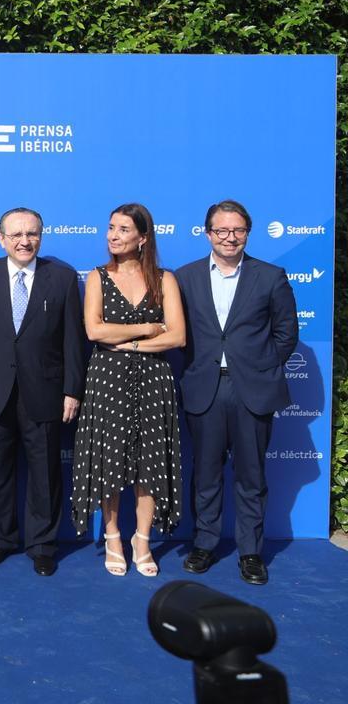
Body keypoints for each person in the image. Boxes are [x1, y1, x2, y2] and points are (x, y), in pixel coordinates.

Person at [175, 200, 297, 585]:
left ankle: (250, 552)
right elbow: (180, 335)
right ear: (208, 233)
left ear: (247, 233)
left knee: (251, 475)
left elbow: (286, 334)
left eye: (238, 230)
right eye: (222, 230)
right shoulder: (185, 277)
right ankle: (205, 543)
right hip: (204, 388)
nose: (230, 237)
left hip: (253, 389)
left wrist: (259, 366)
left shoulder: (271, 276)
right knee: (206, 473)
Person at [0, 207, 85, 577]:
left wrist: (72, 391)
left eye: (31, 234)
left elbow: (73, 341)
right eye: (15, 234)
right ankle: (0, 540)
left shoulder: (61, 278)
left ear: (41, 237)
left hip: (45, 391)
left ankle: (43, 545)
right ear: (1, 238)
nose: (24, 241)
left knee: (45, 472)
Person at [69, 204, 185, 577]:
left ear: (143, 237)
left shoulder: (164, 279)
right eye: (110, 228)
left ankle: (143, 540)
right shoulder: (98, 277)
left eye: (122, 229)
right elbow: (94, 331)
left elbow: (178, 336)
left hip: (153, 379)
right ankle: (114, 536)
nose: (113, 236)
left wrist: (129, 344)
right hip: (107, 379)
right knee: (110, 460)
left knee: (150, 460)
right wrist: (148, 329)